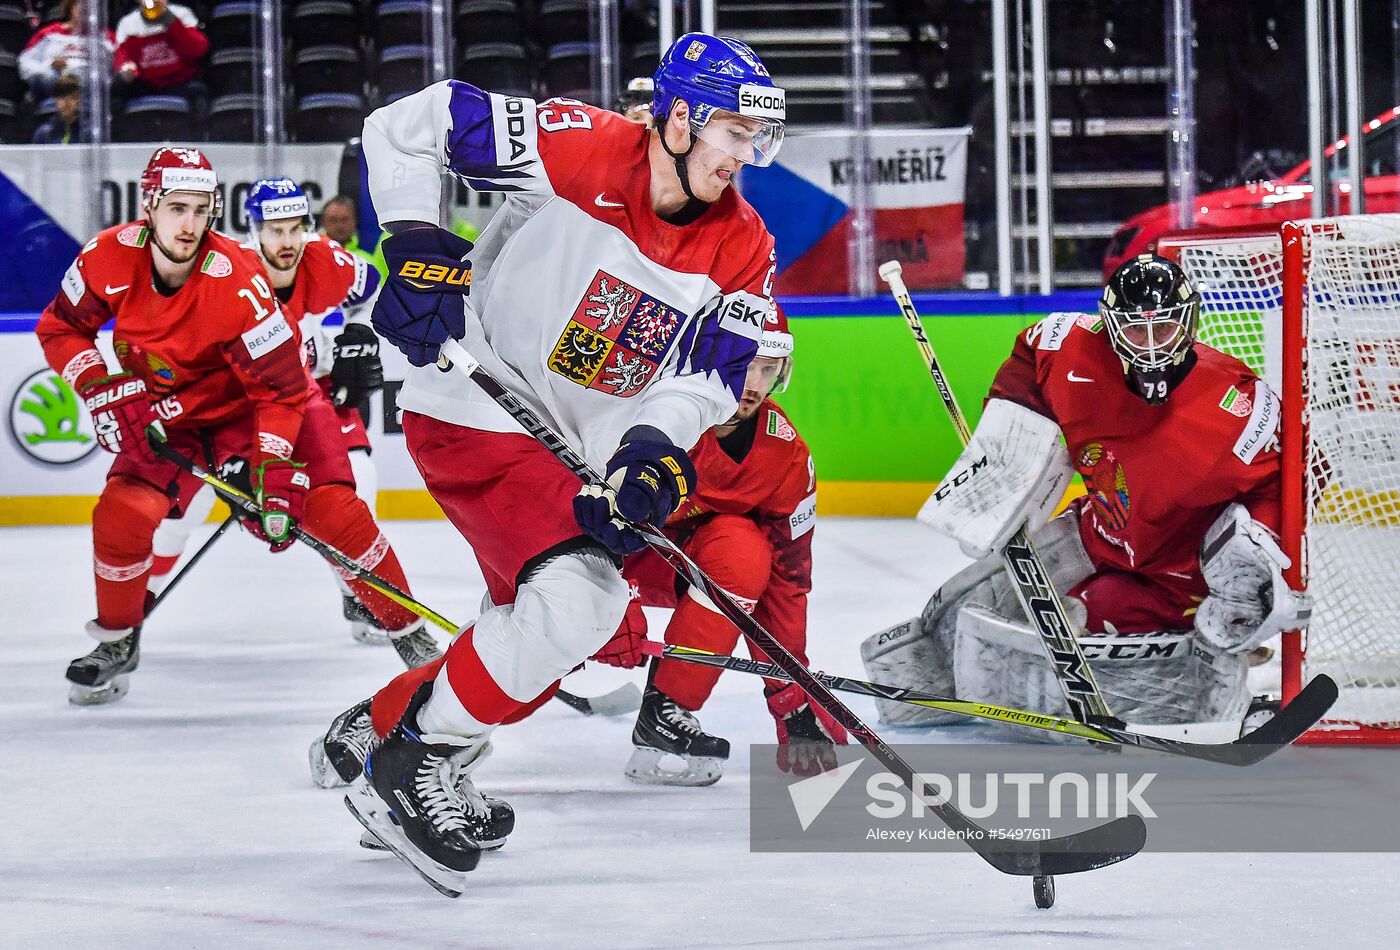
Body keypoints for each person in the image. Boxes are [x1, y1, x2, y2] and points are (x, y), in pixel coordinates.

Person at [327, 32, 784, 894]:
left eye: (755, 137)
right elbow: (405, 124)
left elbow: (710, 378)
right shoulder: (581, 143)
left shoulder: (745, 245)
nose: (745, 154)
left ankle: (384, 728)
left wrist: (651, 453)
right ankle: (410, 763)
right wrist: (418, 241)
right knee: (584, 598)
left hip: (569, 452)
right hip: (477, 404)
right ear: (678, 121)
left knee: (556, 630)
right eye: (732, 131)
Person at [34, 147, 438, 706]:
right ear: (149, 205)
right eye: (177, 208)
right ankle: (117, 639)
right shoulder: (105, 257)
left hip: (261, 407)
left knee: (335, 509)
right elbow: (61, 328)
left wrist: (270, 462)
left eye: (201, 209)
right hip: (171, 415)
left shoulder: (239, 280)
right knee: (123, 513)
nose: (190, 223)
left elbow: (281, 390)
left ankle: (410, 634)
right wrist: (96, 383)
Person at [862, 254, 1312, 735]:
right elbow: (1029, 354)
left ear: (1190, 323)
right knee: (965, 611)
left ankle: (1203, 685)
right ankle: (929, 691)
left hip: (1171, 581)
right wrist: (1011, 443)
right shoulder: (1071, 347)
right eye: (1136, 332)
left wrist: (1253, 579)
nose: (1152, 347)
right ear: (1109, 325)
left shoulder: (1238, 407)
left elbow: (1286, 483)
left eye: (1165, 329)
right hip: (1096, 535)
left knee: (1055, 653)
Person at [609, 303, 845, 785]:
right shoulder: (650, 419)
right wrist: (612, 608)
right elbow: (569, 512)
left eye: (767, 368)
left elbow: (787, 582)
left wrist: (792, 701)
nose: (753, 383)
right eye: (744, 363)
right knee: (510, 693)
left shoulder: (785, 455)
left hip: (683, 565)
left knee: (741, 549)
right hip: (598, 562)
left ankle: (667, 705)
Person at [19, 0, 114, 98]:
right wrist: (49, 65)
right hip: (55, 85)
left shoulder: (106, 38)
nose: (85, 10)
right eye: (81, 6)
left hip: (90, 89)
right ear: (71, 7)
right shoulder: (48, 34)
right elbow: (25, 64)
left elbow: (116, 69)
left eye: (89, 7)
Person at [113, 0, 207, 98]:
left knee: (197, 91)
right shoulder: (127, 24)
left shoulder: (182, 14)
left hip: (182, 83)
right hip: (146, 87)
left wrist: (169, 20)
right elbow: (122, 60)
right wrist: (127, 70)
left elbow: (198, 50)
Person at [32, 72, 83, 144]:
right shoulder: (43, 134)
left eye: (72, 97)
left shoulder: (86, 133)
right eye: (62, 97)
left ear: (79, 100)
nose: (67, 102)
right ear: (55, 99)